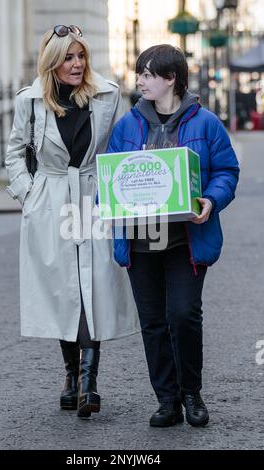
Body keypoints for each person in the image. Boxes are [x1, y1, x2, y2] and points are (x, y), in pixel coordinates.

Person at [5, 25, 139, 419]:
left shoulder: (108, 94)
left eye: (81, 56)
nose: (77, 64)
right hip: (50, 199)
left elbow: (124, 145)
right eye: (68, 57)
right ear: (52, 62)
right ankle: (70, 375)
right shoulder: (29, 101)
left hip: (95, 197)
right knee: (64, 287)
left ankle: (88, 384)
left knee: (92, 284)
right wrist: (28, 195)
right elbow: (14, 152)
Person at [107, 44, 240, 427]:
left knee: (183, 314)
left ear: (171, 79)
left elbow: (227, 172)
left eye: (148, 74)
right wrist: (108, 202)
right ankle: (167, 400)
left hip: (187, 240)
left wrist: (211, 202)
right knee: (152, 321)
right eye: (140, 74)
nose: (141, 81)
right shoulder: (127, 126)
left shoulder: (206, 123)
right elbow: (110, 179)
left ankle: (191, 393)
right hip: (140, 242)